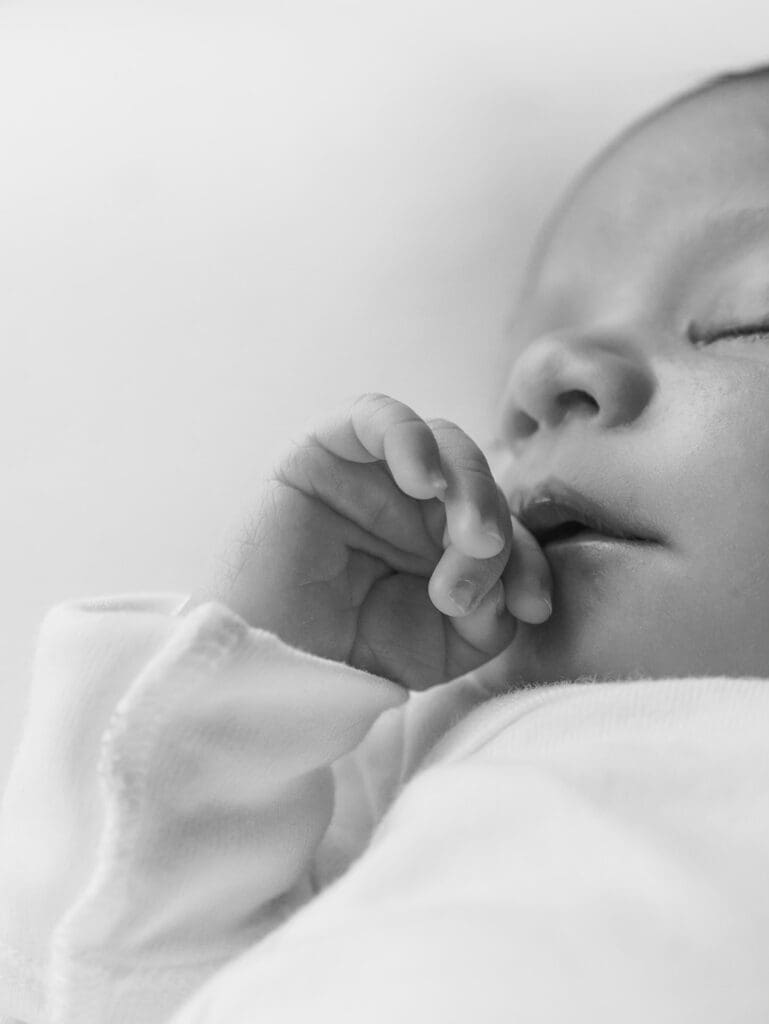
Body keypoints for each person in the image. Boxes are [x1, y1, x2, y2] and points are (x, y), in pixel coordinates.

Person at [3, 65, 769, 1024]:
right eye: (510, 395)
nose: (545, 377)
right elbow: (107, 982)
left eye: (745, 317)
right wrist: (256, 689)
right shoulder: (392, 757)